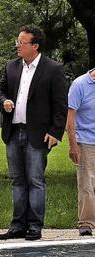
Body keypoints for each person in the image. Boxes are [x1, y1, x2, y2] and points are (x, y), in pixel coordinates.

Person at [0, 25, 68, 241]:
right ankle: (17, 225)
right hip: (13, 132)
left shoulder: (53, 69)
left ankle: (34, 226)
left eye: (21, 42)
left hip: (38, 134)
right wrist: (3, 101)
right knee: (17, 181)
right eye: (18, 41)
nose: (17, 45)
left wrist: (55, 132)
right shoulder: (11, 67)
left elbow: (60, 104)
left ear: (34, 46)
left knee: (35, 180)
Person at [67, 67, 95, 236]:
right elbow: (70, 117)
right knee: (87, 183)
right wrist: (73, 145)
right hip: (85, 141)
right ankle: (86, 223)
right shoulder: (79, 84)